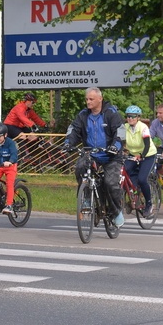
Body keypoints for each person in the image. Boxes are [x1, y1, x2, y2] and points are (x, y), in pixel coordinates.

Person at [63, 87, 125, 228]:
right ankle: (86, 198)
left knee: (110, 183)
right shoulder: (83, 115)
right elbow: (73, 129)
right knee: (80, 167)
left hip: (111, 155)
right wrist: (68, 143)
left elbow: (120, 132)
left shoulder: (111, 113)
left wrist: (115, 146)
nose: (88, 102)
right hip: (91, 153)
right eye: (86, 99)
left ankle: (116, 211)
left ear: (100, 99)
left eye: (91, 99)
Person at [123, 105, 157, 218]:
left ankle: (149, 204)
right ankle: (133, 196)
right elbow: (120, 142)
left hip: (148, 155)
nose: (130, 118)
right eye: (128, 116)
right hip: (133, 155)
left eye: (133, 116)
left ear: (138, 117)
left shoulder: (143, 127)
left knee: (142, 179)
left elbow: (147, 144)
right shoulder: (125, 127)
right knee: (124, 172)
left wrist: (142, 155)